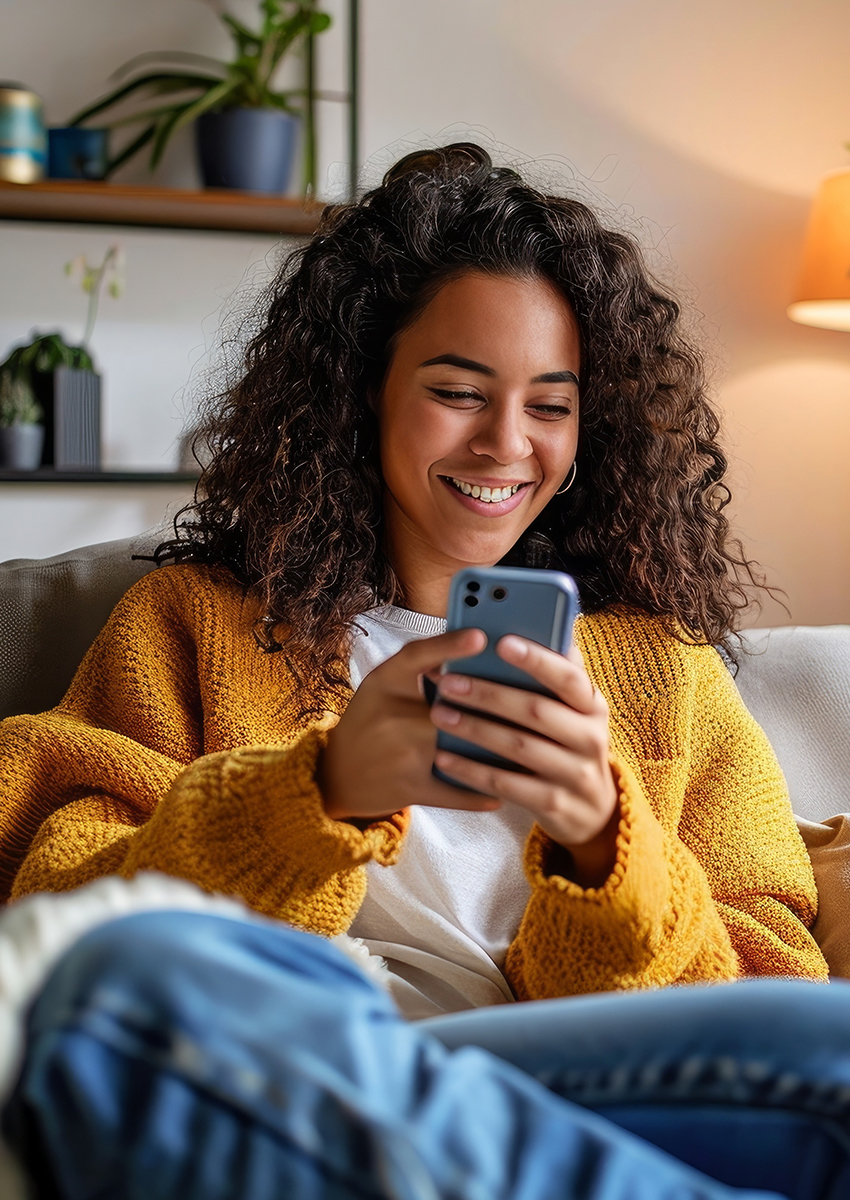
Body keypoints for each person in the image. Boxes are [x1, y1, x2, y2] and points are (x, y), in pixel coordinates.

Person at [0, 143, 842, 1199]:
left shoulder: (664, 670)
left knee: (832, 1044)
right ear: (362, 393)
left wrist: (602, 848)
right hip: (310, 1065)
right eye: (457, 390)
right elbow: (61, 906)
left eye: (550, 404)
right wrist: (315, 796)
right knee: (125, 983)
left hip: (575, 1083)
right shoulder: (191, 626)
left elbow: (771, 982)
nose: (505, 444)